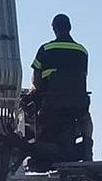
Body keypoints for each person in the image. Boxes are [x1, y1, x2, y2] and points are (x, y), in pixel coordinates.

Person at [25, 13, 92, 166]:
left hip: (51, 102)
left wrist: (34, 92)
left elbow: (36, 79)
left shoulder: (46, 49)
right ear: (70, 28)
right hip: (78, 103)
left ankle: (38, 149)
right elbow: (81, 77)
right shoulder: (82, 51)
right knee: (86, 118)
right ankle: (88, 147)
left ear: (54, 29)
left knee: (30, 113)